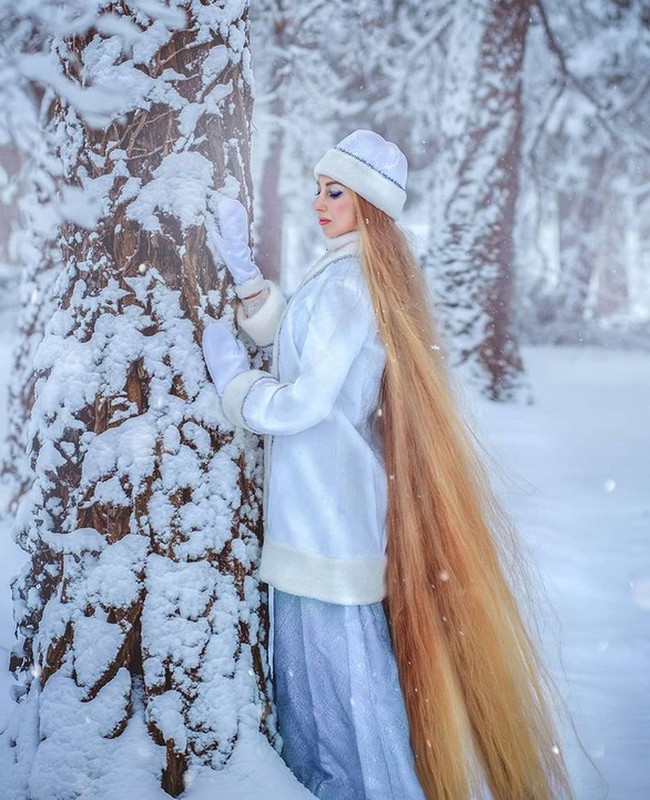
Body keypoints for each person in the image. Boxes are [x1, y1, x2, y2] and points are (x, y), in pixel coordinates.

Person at [202, 130, 573, 800]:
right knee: (319, 692)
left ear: (367, 203)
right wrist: (251, 288)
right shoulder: (345, 272)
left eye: (334, 191)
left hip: (329, 510)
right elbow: (308, 354)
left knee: (342, 693)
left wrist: (237, 391)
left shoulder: (353, 283)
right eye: (317, 188)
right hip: (315, 505)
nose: (319, 202)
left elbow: (309, 400)